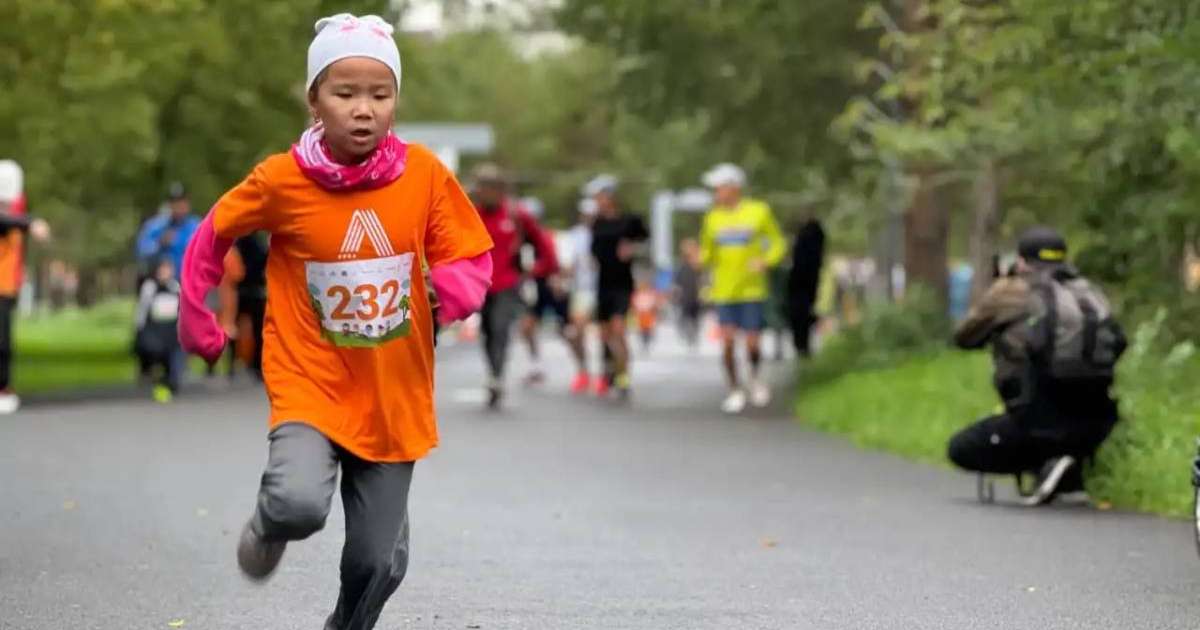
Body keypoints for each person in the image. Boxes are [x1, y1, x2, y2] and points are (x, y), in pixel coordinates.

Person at [177, 15, 494, 630]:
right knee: (296, 502)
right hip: (310, 381)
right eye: (345, 93)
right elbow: (212, 234)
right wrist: (199, 324)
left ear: (396, 99)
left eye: (380, 94)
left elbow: (467, 252)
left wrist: (448, 292)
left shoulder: (424, 175)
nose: (364, 109)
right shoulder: (282, 181)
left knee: (378, 563)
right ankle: (269, 524)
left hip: (392, 392)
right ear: (314, 99)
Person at [947, 227, 1125, 505]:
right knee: (1064, 423)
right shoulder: (1090, 292)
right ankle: (1067, 469)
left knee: (961, 448)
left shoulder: (1013, 290)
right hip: (1098, 422)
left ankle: (1046, 460)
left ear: (1021, 262)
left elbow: (964, 337)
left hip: (1036, 418)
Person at [698, 163, 786, 414]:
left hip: (752, 290)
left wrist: (766, 261)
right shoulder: (712, 218)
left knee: (752, 343)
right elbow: (707, 254)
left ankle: (755, 379)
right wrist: (697, 257)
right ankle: (734, 389)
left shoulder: (759, 211)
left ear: (734, 187)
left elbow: (778, 243)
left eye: (719, 188)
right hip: (724, 291)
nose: (716, 193)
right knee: (727, 342)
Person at [471, 163, 558, 408]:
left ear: (500, 190)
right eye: (481, 187)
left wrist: (536, 270)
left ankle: (496, 377)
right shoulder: (470, 212)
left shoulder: (516, 215)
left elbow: (544, 247)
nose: (484, 192)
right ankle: (493, 371)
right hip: (479, 284)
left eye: (489, 187)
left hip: (507, 283)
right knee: (487, 331)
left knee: (500, 328)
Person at [587, 174, 648, 399]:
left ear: (610, 196)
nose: (598, 201)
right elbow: (593, 251)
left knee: (619, 328)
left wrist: (632, 248)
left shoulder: (629, 221)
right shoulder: (597, 223)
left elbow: (645, 241)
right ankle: (609, 370)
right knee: (605, 333)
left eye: (600, 196)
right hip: (603, 283)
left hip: (622, 283)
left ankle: (624, 375)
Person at [0, 160, 37, 414]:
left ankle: (3, 387)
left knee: (4, 342)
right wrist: (31, 224)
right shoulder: (9, 221)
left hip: (7, 287)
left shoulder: (15, 212)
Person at [563, 198, 599, 393]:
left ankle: (606, 374)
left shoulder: (605, 231)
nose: (589, 218)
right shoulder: (576, 235)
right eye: (586, 214)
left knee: (607, 333)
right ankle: (583, 370)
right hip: (582, 290)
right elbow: (569, 262)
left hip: (603, 288)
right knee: (575, 332)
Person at [134, 257, 182, 402]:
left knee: (173, 359)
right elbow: (142, 309)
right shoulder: (149, 287)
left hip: (171, 331)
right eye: (162, 269)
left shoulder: (175, 287)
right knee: (156, 357)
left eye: (168, 269)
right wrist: (139, 327)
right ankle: (157, 381)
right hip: (154, 331)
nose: (165, 273)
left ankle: (170, 383)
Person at [136, 181, 200, 278]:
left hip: (189, 280)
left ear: (187, 203)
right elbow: (141, 251)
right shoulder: (156, 226)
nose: (178, 206)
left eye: (181, 202)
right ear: (169, 205)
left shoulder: (196, 226)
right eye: (174, 202)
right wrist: (159, 244)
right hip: (160, 282)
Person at [787, 218, 825, 358]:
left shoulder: (803, 244)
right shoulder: (815, 247)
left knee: (799, 316)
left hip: (800, 286)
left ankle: (801, 346)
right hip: (807, 286)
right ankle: (803, 346)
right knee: (803, 315)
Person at [673, 238, 704, 350]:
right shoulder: (682, 267)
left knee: (694, 318)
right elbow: (677, 283)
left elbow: (703, 280)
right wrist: (676, 294)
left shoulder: (699, 266)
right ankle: (688, 334)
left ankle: (693, 335)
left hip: (696, 297)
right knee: (685, 317)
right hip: (685, 297)